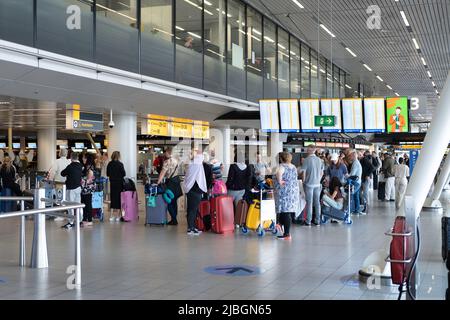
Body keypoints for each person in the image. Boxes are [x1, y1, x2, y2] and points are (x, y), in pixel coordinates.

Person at [274, 152, 299, 240]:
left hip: (284, 192)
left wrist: (280, 181)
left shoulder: (281, 166)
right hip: (293, 191)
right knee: (287, 211)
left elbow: (279, 176)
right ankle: (280, 225)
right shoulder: (293, 166)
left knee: (285, 212)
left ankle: (287, 234)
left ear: (281, 158)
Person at [183, 149, 207, 236]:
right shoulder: (196, 164)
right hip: (195, 190)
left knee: (193, 209)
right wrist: (196, 150)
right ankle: (190, 228)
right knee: (193, 210)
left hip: (191, 190)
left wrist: (194, 151)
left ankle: (193, 227)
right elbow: (201, 154)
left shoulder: (191, 164)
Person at [301, 146, 324, 226]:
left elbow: (303, 172)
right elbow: (322, 173)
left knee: (309, 203)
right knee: (317, 202)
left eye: (307, 149)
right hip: (317, 184)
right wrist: (318, 179)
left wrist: (303, 182)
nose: (306, 151)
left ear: (310, 150)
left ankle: (308, 221)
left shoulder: (306, 160)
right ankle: (317, 221)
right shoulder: (320, 160)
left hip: (309, 184)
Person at [157, 147, 179, 225]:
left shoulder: (167, 162)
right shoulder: (176, 161)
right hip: (177, 181)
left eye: (165, 152)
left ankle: (174, 219)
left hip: (170, 182)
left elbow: (162, 173)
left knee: (169, 201)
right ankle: (174, 218)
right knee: (174, 201)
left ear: (168, 152)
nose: (164, 154)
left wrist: (158, 182)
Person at [60, 152, 83, 230]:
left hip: (71, 188)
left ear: (71, 158)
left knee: (70, 206)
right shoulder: (80, 166)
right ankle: (80, 221)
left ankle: (71, 222)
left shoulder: (70, 166)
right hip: (78, 188)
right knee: (78, 205)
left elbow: (62, 173)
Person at [106, 151, 126, 222]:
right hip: (119, 183)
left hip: (112, 183)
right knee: (119, 199)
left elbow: (107, 174)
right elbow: (124, 174)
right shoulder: (120, 164)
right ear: (118, 156)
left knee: (113, 198)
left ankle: (111, 216)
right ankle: (118, 216)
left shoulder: (109, 164)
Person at [346, 149, 363, 215]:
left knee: (350, 195)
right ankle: (357, 209)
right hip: (358, 182)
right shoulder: (356, 162)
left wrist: (347, 176)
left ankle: (350, 210)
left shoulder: (355, 163)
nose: (349, 157)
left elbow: (352, 174)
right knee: (356, 196)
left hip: (355, 182)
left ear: (353, 156)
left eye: (350, 156)